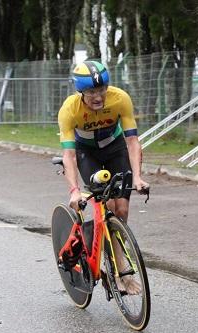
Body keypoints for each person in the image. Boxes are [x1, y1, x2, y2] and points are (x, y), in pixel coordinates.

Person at [58, 60, 149, 294]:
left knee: (122, 209)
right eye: (91, 92)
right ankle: (121, 270)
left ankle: (114, 254)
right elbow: (69, 155)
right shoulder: (70, 109)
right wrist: (74, 191)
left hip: (115, 147)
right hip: (87, 152)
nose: (98, 97)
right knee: (107, 203)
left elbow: (132, 141)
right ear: (81, 92)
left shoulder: (120, 98)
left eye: (101, 90)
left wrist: (138, 177)